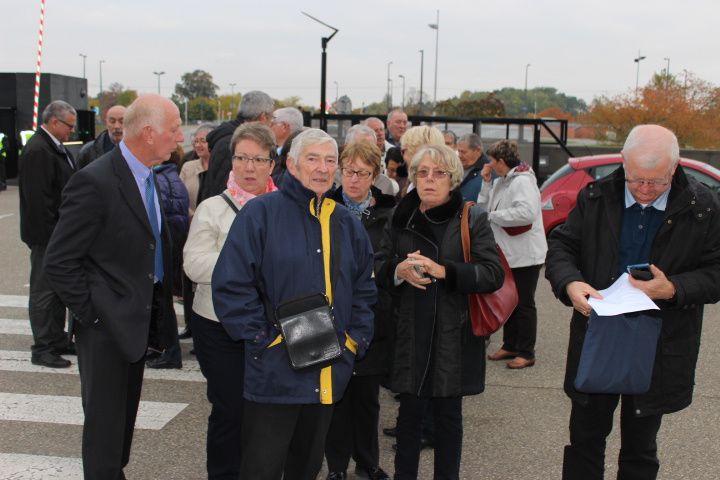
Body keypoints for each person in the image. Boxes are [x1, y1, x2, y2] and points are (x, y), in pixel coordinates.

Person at [545, 124, 720, 480]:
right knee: (585, 440)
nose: (643, 190)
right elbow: (562, 247)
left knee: (641, 448)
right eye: (635, 178)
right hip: (598, 334)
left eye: (655, 182)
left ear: (674, 169)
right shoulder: (595, 197)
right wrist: (570, 283)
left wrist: (672, 288)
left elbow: (715, 271)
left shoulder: (702, 206)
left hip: (660, 341)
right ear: (623, 164)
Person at [212, 128, 376, 480]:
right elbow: (231, 285)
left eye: (329, 160)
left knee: (306, 468)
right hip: (274, 373)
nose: (321, 168)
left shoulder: (346, 222)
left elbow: (364, 289)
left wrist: (354, 340)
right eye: (312, 159)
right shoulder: (260, 214)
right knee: (261, 469)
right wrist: (264, 340)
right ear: (291, 164)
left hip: (329, 371)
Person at [43, 94, 183, 479]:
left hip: (136, 324)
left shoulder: (147, 176)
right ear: (150, 133)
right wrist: (95, 317)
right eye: (173, 130)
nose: (180, 137)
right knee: (104, 437)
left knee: (120, 432)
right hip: (107, 328)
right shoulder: (95, 181)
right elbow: (59, 262)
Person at [375, 144, 504, 479]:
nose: (429, 179)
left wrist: (447, 271)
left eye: (439, 173)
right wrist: (397, 271)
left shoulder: (471, 217)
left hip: (453, 333)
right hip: (410, 333)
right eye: (422, 172)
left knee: (448, 419)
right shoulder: (400, 216)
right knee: (408, 419)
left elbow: (493, 274)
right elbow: (378, 266)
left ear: (453, 179)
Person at [184, 123, 278, 479]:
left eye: (257, 159)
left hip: (270, 325)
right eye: (241, 158)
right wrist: (244, 259)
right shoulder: (212, 208)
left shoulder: (284, 208)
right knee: (229, 410)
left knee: (264, 411)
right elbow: (193, 265)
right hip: (217, 326)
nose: (248, 167)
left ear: (272, 163)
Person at [325, 141, 396, 480]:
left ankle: (367, 461)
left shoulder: (387, 214)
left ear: (375, 176)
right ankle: (336, 465)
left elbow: (390, 260)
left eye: (362, 173)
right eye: (348, 171)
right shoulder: (324, 207)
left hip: (372, 315)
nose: (353, 180)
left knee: (367, 397)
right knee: (335, 396)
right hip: (332, 315)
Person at [18, 100, 77, 368]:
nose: (72, 132)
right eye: (69, 126)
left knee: (56, 291)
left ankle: (57, 339)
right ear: (55, 122)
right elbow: (39, 202)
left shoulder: (53, 147)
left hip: (57, 235)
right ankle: (42, 347)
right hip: (47, 237)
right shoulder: (39, 150)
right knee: (43, 293)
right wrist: (56, 237)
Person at [478, 139, 547, 369]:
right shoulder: (502, 181)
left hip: (526, 254)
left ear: (501, 161)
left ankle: (527, 352)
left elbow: (526, 213)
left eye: (492, 160)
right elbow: (483, 206)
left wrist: (493, 216)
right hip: (509, 252)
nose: (489, 164)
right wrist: (486, 183)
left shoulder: (523, 182)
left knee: (525, 303)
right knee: (510, 301)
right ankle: (510, 345)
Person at [146, 147, 189, 369]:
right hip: (171, 248)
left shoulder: (159, 179)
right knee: (163, 304)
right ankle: (163, 349)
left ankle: (169, 352)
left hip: (163, 251)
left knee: (162, 306)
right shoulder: (171, 177)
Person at [200, 90, 275, 202]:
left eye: (259, 160)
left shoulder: (225, 138)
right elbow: (223, 192)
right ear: (263, 117)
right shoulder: (231, 144)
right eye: (241, 158)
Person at [180, 123, 214, 219]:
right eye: (196, 141)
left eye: (203, 141)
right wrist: (192, 216)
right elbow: (178, 196)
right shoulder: (188, 167)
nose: (198, 145)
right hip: (189, 223)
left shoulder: (220, 168)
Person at [456, 133, 489, 202]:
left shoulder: (489, 171)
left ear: (477, 151)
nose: (459, 155)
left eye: (463, 152)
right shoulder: (456, 167)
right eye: (458, 151)